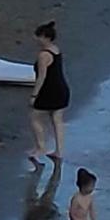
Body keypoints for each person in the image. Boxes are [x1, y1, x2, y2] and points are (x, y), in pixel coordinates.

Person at [28, 23, 69, 165]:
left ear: (46, 37)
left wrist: (34, 95)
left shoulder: (43, 55)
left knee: (34, 117)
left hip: (49, 92)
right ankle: (59, 151)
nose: (36, 39)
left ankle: (41, 147)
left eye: (38, 36)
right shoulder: (55, 49)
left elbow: (42, 77)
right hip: (62, 90)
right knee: (57, 120)